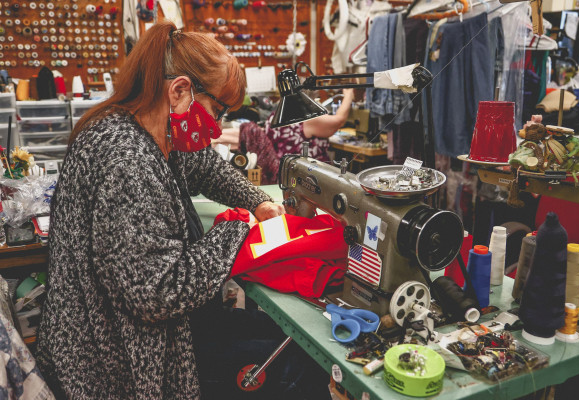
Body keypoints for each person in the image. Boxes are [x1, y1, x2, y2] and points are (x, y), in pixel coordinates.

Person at [36, 22, 330, 399]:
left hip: (120, 335)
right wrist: (234, 230)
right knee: (298, 364)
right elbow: (156, 292)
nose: (218, 125)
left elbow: (205, 167)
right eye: (218, 110)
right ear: (179, 91)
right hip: (112, 363)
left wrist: (257, 200)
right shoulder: (128, 161)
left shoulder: (141, 128)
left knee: (281, 337)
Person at [265, 88, 354, 162]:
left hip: (283, 174)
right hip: (307, 175)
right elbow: (339, 120)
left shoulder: (274, 116)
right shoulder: (306, 118)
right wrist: (348, 95)